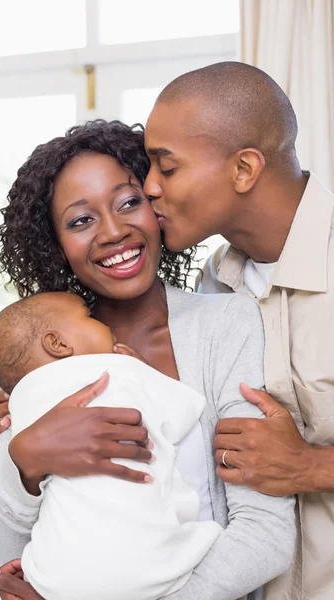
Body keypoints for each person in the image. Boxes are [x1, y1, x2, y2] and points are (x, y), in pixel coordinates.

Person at [0, 120, 295, 600]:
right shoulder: (41, 364)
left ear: (157, 206)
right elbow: (7, 551)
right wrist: (23, 460)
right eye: (81, 220)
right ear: (55, 243)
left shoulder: (225, 324)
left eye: (129, 202)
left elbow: (265, 535)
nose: (113, 231)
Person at [143, 61, 334, 600]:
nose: (149, 187)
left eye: (167, 167)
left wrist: (312, 466)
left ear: (244, 168)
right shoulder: (212, 288)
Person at [0, 290, 222, 600]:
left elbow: (6, 539)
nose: (104, 324)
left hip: (55, 579)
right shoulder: (117, 371)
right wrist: (143, 372)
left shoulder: (16, 402)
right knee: (206, 536)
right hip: (155, 567)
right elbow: (184, 414)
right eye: (90, 316)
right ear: (58, 344)